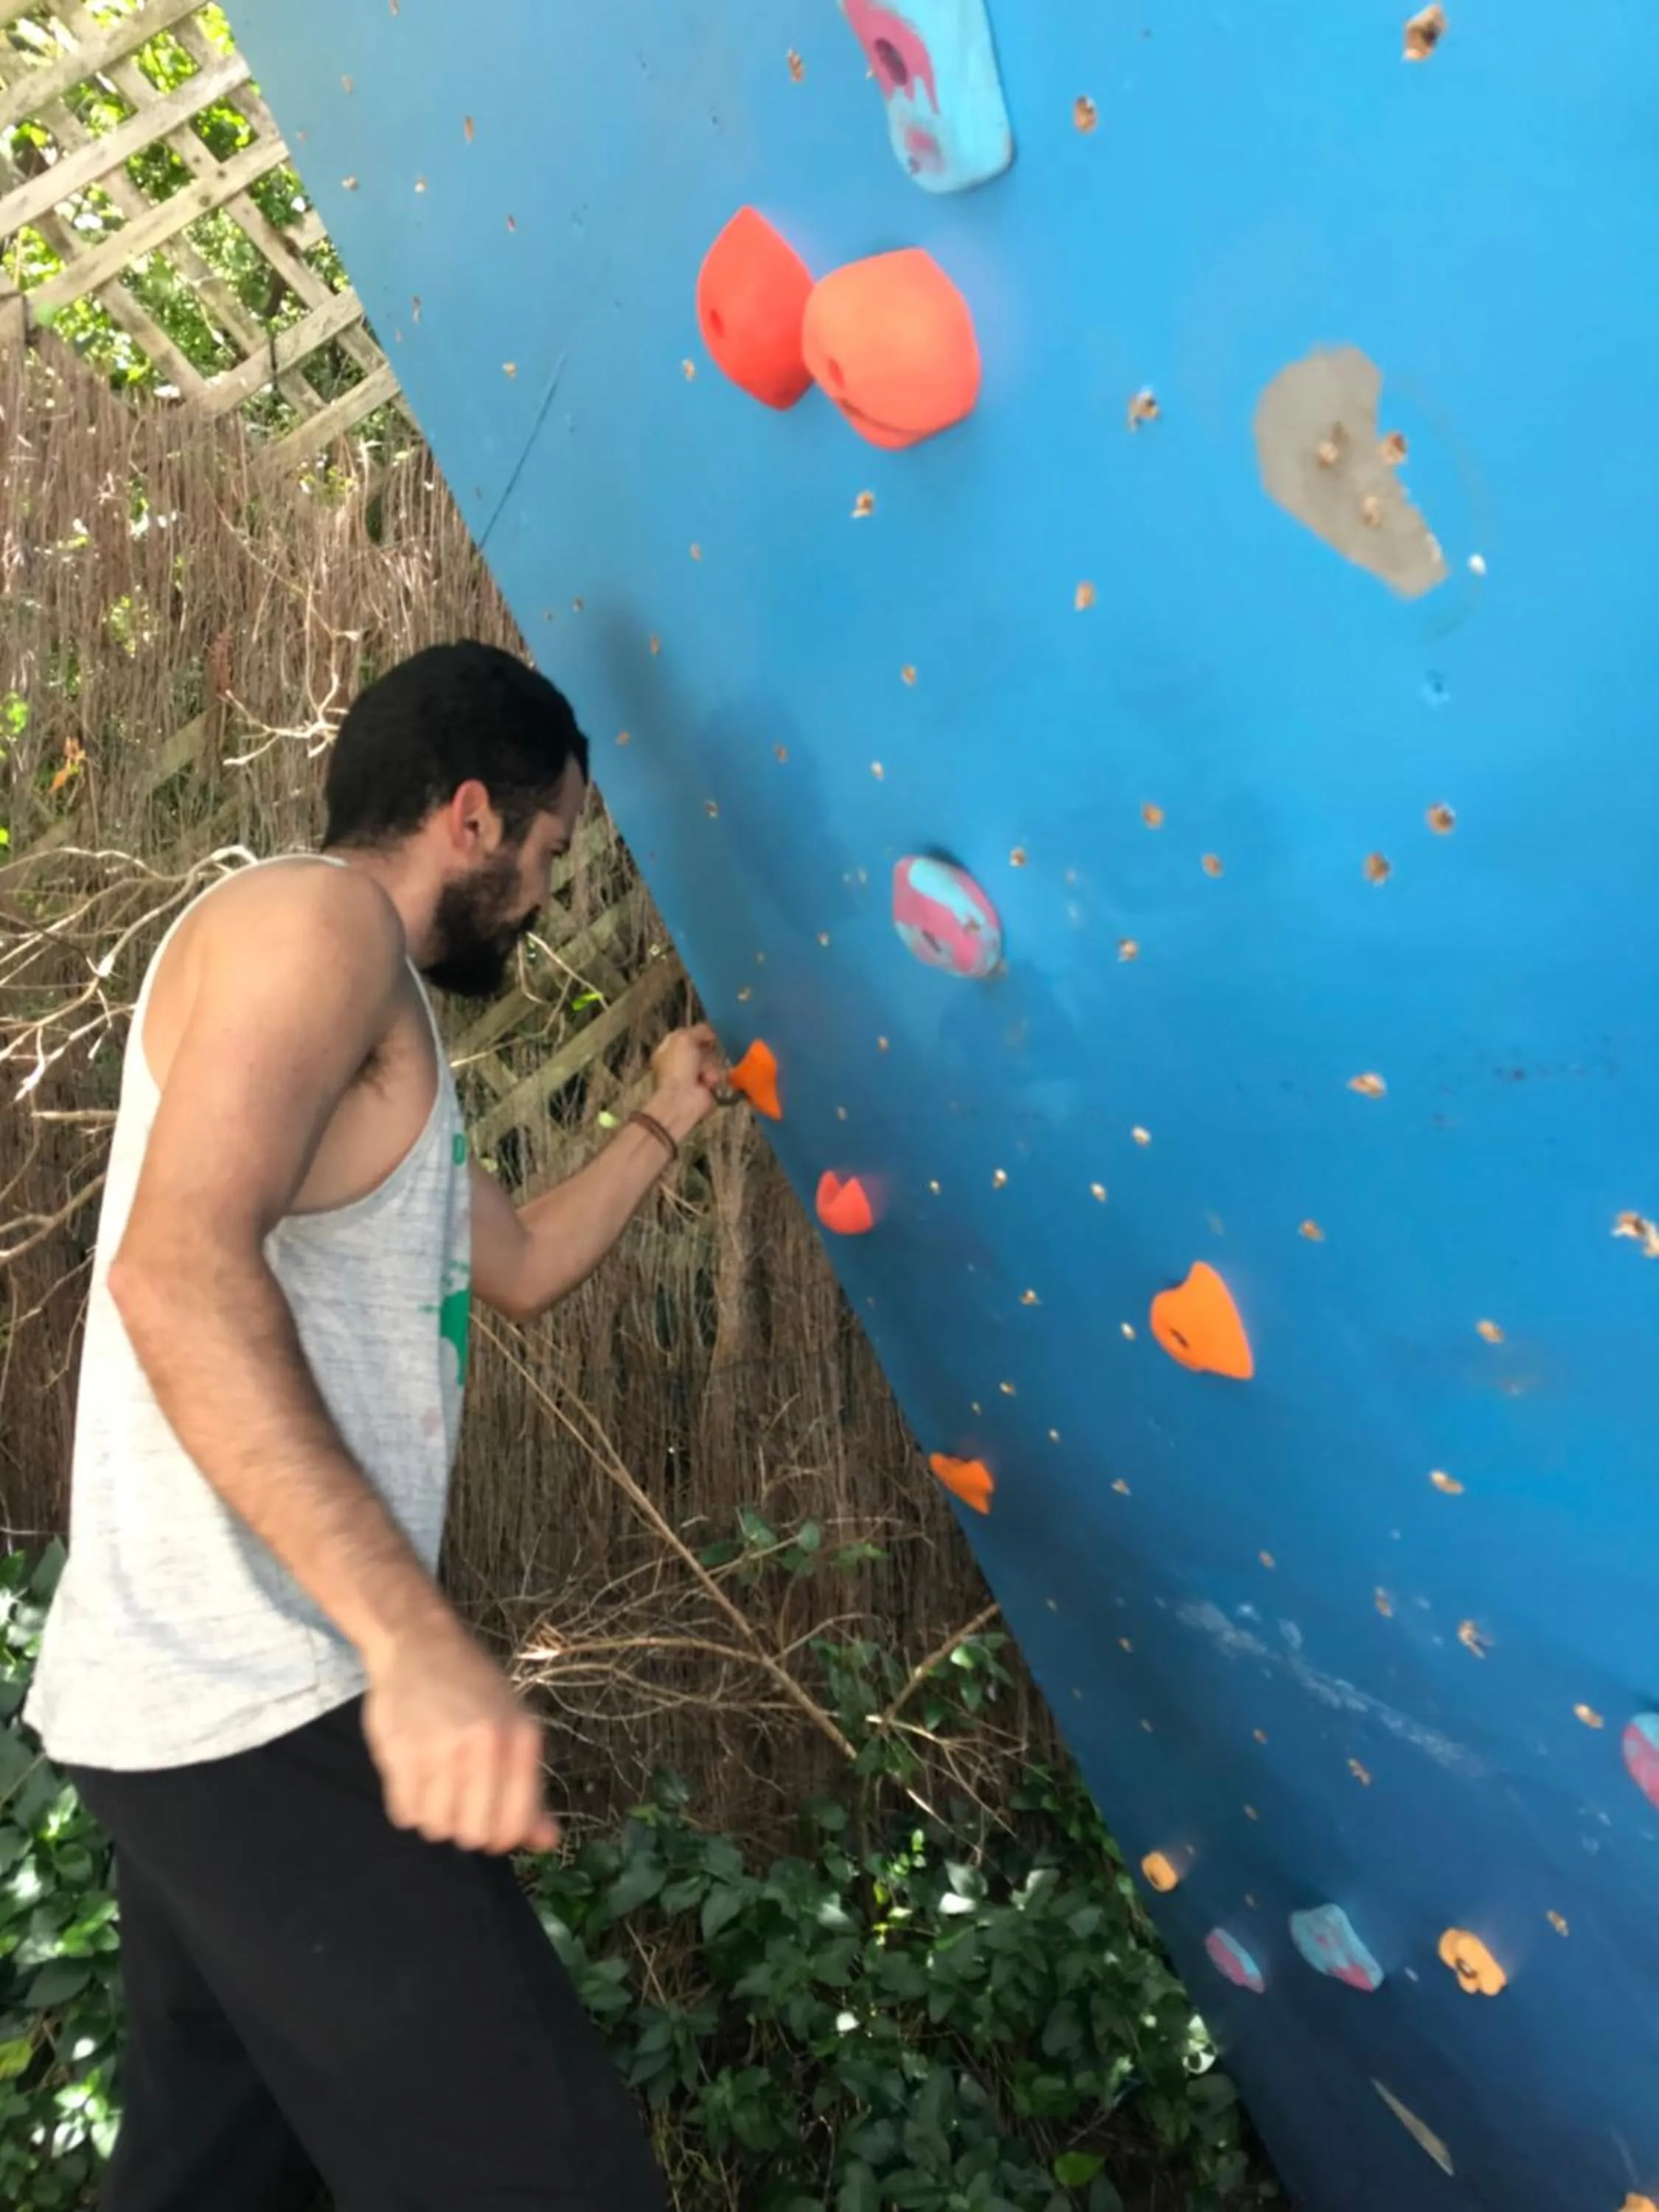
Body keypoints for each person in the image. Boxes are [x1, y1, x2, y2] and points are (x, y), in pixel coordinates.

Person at [25, 641, 718, 2211]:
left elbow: (520, 1266)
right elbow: (177, 1275)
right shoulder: (311, 923)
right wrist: (408, 1644)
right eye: (550, 851)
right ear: (472, 815)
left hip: (198, 1710)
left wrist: (674, 1108)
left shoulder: (375, 1013)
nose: (547, 892)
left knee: (224, 2181)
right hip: (270, 1693)